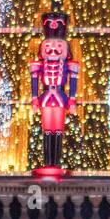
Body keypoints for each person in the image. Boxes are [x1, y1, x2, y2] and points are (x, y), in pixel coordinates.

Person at [29, 11, 79, 180]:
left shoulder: (69, 65)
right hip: (46, 97)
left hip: (59, 96)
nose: (53, 50)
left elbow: (73, 83)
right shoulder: (39, 65)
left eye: (59, 47)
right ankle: (48, 161)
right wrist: (34, 98)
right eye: (49, 47)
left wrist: (72, 99)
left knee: (57, 129)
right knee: (46, 129)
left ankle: (55, 162)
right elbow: (34, 82)